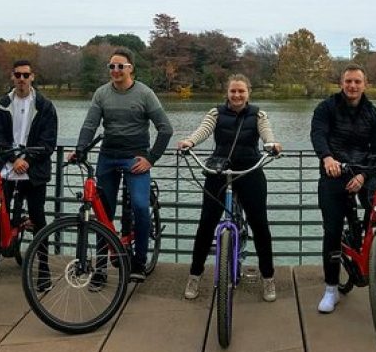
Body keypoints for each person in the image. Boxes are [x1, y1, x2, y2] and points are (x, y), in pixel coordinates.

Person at [179, 74, 282, 303]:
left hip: (249, 171)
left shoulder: (258, 114)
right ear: (227, 93)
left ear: (248, 93)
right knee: (206, 224)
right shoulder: (216, 113)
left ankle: (268, 277)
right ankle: (195, 275)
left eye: (241, 92)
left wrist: (272, 145)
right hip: (219, 171)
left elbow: (267, 134)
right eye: (233, 91)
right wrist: (190, 142)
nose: (237, 95)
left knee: (260, 226)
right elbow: (203, 131)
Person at [74, 48, 173, 283]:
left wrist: (151, 158)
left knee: (140, 206)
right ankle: (100, 267)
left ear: (131, 68)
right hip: (108, 156)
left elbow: (165, 128)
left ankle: (139, 261)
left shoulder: (145, 94)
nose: (116, 71)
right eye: (112, 66)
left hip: (135, 158)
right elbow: (90, 125)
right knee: (101, 212)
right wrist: (79, 149)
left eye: (121, 66)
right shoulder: (101, 93)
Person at [310, 64, 376, 313]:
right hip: (335, 171)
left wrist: (364, 175)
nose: (353, 86)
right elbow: (318, 134)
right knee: (332, 231)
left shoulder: (374, 115)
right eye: (348, 81)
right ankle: (331, 288)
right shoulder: (326, 107)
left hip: (364, 173)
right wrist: (327, 157)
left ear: (365, 84)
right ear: (341, 83)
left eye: (357, 82)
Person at [0, 60, 58, 291]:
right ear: (12, 76)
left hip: (34, 172)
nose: (21, 78)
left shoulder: (45, 106)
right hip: (7, 170)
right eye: (17, 74)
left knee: (38, 218)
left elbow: (48, 142)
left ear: (32, 77)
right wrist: (13, 159)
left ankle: (43, 269)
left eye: (25, 75)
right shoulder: (1, 105)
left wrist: (26, 161)